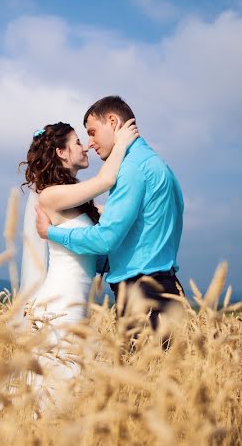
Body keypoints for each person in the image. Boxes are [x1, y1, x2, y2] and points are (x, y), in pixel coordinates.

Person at [35, 95, 184, 343]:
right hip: (162, 287)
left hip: (142, 292)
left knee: (143, 376)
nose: (90, 144)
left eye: (92, 133)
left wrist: (51, 233)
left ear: (113, 121)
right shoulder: (156, 164)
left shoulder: (132, 169)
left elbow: (106, 239)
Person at [18, 118, 139, 410]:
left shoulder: (76, 199)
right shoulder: (50, 195)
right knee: (58, 390)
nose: (85, 147)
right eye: (77, 142)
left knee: (70, 389)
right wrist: (121, 142)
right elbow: (106, 181)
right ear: (61, 152)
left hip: (77, 304)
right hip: (60, 306)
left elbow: (111, 223)